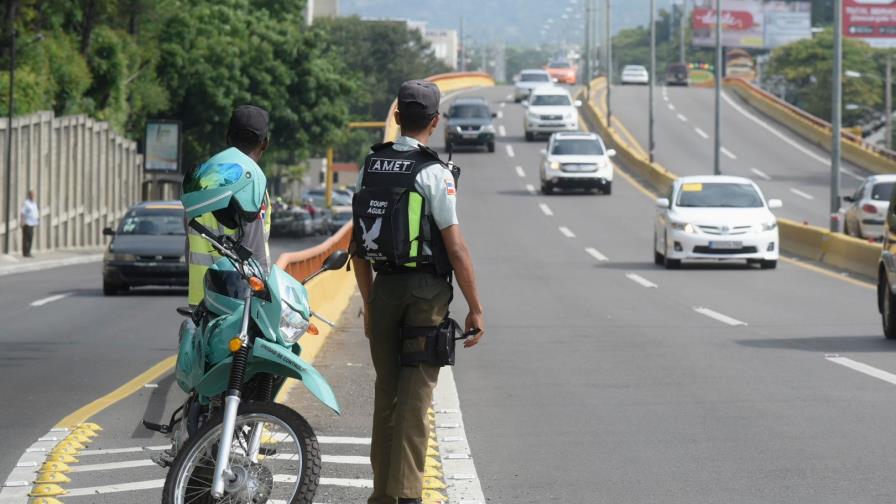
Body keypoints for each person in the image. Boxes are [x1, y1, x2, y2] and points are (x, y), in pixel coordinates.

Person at [351, 80, 486, 504]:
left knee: (386, 394)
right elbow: (456, 247)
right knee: (415, 398)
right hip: (426, 292)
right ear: (435, 121)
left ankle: (383, 495)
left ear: (396, 118)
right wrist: (475, 307)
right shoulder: (434, 172)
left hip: (385, 288)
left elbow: (357, 247)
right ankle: (407, 496)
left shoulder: (370, 167)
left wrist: (370, 303)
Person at [185, 105, 272, 307]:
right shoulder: (253, 185)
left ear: (227, 137)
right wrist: (266, 299)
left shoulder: (199, 181)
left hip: (200, 299)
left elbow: (189, 242)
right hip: (238, 301)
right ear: (265, 144)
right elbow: (255, 253)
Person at [19, 190, 38, 257]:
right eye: (32, 195)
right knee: (26, 238)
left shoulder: (34, 204)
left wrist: (36, 222)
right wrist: (21, 221)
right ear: (29, 195)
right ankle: (25, 253)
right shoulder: (26, 203)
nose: (33, 196)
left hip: (32, 223)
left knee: (30, 238)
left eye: (34, 195)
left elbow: (35, 213)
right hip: (27, 223)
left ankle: (28, 251)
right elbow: (22, 213)